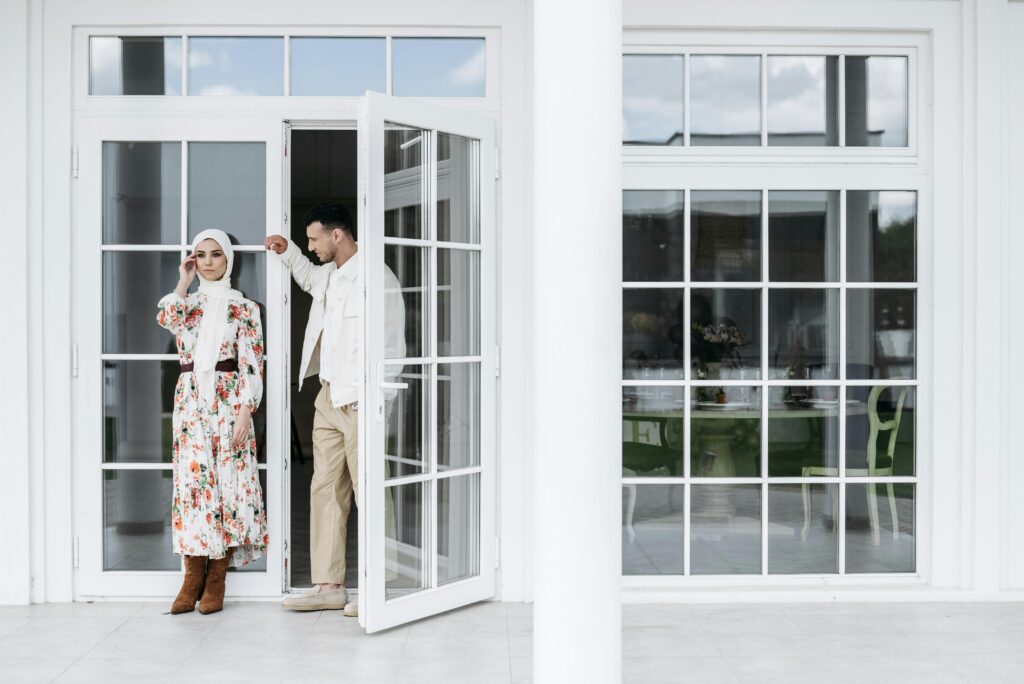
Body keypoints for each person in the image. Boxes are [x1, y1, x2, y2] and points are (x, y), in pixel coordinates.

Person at [266, 204, 404, 615]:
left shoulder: (377, 278)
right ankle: (329, 586)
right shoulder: (328, 274)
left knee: (370, 489)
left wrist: (378, 400)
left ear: (337, 235)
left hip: (362, 398)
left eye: (314, 239)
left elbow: (392, 345)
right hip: (328, 396)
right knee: (324, 490)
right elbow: (307, 276)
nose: (311, 247)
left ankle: (378, 587)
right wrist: (288, 250)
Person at [157, 229, 268, 615]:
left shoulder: (244, 308)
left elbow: (252, 363)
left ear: (229, 260)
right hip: (191, 405)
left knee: (227, 487)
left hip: (229, 403)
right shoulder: (186, 305)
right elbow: (165, 317)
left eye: (215, 254)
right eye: (200, 254)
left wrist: (245, 411)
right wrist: (183, 281)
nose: (207, 261)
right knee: (194, 488)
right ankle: (192, 577)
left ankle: (217, 578)